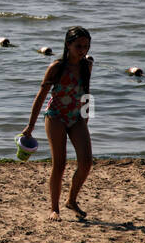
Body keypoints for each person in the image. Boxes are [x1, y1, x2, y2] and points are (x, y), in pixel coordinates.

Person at [22, 26, 94, 221]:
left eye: (86, 46)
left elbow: (87, 91)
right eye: (78, 46)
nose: (83, 50)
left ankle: (71, 200)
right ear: (68, 45)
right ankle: (54, 209)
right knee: (59, 164)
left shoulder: (86, 65)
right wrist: (30, 126)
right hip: (55, 116)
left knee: (86, 163)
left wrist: (87, 117)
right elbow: (41, 96)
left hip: (76, 117)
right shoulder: (56, 67)